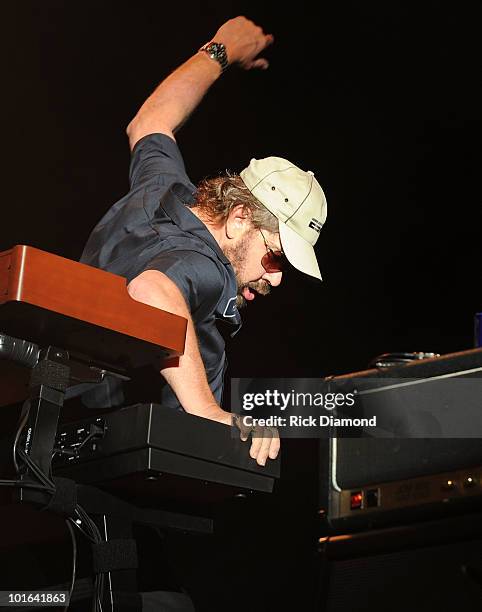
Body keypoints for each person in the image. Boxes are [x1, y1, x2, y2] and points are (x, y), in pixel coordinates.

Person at [81, 16, 327, 467]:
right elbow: (152, 291)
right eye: (275, 256)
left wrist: (221, 49)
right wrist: (208, 411)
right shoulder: (208, 267)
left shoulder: (164, 190)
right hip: (103, 463)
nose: (275, 279)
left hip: (55, 421)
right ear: (238, 219)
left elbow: (150, 121)